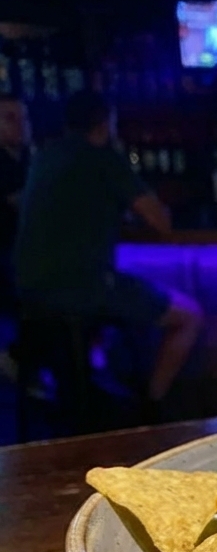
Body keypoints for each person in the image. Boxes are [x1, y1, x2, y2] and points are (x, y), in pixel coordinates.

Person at [14, 90, 202, 404]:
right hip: (82, 288)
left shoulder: (43, 157)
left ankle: (94, 396)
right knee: (190, 316)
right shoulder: (103, 157)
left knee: (103, 323)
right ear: (106, 122)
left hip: (28, 292)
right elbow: (159, 222)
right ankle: (149, 408)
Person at [0, 96, 30, 310]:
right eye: (10, 118)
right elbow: (26, 205)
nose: (20, 124)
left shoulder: (31, 160)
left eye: (24, 118)